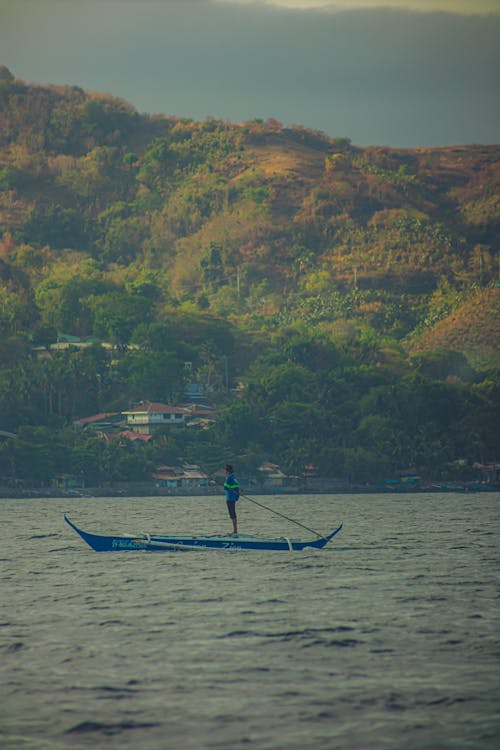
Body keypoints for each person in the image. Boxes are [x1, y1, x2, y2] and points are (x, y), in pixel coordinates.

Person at [223, 464, 240, 535]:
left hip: (230, 498)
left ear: (227, 471)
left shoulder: (229, 478)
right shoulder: (234, 477)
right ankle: (235, 530)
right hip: (234, 497)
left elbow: (225, 487)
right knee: (233, 514)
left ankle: (235, 531)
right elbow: (236, 488)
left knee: (232, 514)